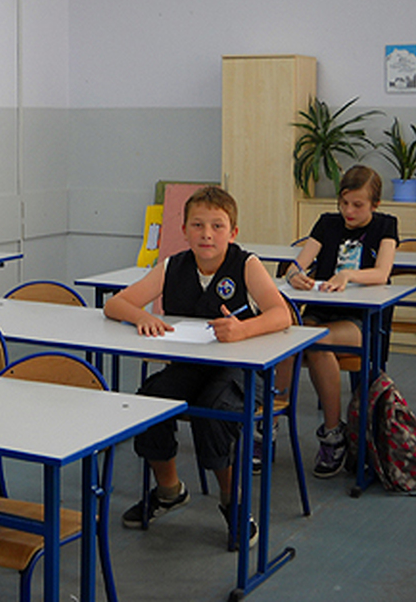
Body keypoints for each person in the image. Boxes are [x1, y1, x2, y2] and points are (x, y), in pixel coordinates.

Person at [104, 186, 290, 549]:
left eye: (217, 226)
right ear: (184, 230)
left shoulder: (246, 265)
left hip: (240, 371)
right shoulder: (173, 266)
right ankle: (169, 491)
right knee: (151, 400)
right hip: (191, 367)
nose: (207, 234)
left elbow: (281, 314)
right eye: (198, 225)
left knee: (215, 411)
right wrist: (142, 316)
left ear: (233, 232)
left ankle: (233, 502)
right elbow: (116, 304)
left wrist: (242, 330)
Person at [280, 165, 398, 478]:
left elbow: (382, 273)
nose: (348, 211)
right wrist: (295, 275)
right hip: (320, 314)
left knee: (315, 340)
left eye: (358, 205)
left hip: (360, 320)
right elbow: (296, 265)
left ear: (375, 204)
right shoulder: (327, 224)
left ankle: (332, 434)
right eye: (344, 203)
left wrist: (348, 275)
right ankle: (272, 423)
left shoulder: (385, 226)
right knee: (287, 338)